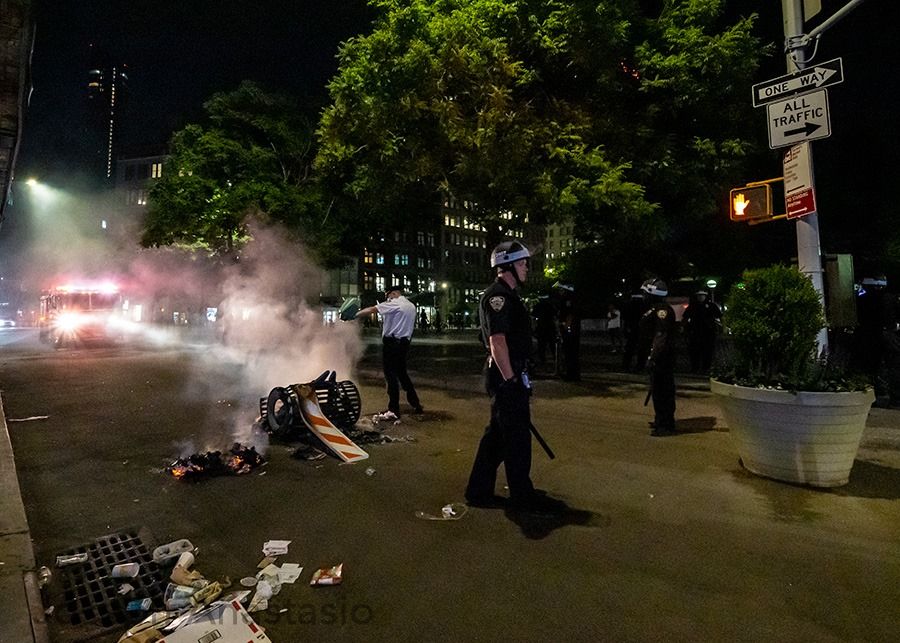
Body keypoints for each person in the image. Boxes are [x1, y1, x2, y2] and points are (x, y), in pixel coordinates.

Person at [465, 241, 562, 512]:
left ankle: (478, 490)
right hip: (505, 375)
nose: (526, 268)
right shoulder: (499, 296)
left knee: (498, 437)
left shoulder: (508, 294)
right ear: (506, 266)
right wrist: (510, 380)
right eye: (521, 263)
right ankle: (521, 495)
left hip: (508, 372)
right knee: (517, 438)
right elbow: (497, 342)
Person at [355, 285, 423, 419]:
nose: (387, 299)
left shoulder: (395, 304)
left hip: (392, 343)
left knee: (391, 375)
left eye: (388, 296)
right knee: (402, 374)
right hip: (404, 343)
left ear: (394, 293)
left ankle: (393, 409)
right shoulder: (411, 306)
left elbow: (372, 309)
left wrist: (354, 315)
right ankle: (416, 404)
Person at [638, 278, 677, 436]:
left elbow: (661, 336)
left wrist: (653, 357)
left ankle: (666, 424)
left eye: (645, 293)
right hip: (657, 356)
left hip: (662, 358)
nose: (643, 296)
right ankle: (660, 419)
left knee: (663, 391)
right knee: (657, 390)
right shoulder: (654, 309)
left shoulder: (662, 311)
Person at [682, 290, 722, 374]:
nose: (700, 297)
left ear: (705, 296)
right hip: (695, 332)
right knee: (694, 351)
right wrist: (685, 328)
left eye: (702, 295)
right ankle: (695, 368)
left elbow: (719, 316)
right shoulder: (693, 306)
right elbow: (685, 317)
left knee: (707, 351)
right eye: (699, 296)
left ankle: (706, 368)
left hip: (708, 332)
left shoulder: (711, 305)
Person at [554, 282, 580, 381]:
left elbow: (570, 314)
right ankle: (572, 373)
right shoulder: (568, 299)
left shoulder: (568, 299)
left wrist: (566, 326)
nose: (559, 292)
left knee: (570, 351)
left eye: (561, 290)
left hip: (570, 329)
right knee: (570, 352)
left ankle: (572, 375)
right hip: (570, 328)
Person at [621, 291, 649, 372]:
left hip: (632, 328)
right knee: (642, 349)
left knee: (630, 348)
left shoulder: (628, 305)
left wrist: (625, 328)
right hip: (642, 329)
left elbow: (625, 318)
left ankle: (626, 366)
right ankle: (639, 367)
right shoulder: (645, 305)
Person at [532, 295, 557, 369]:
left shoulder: (538, 306)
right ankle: (554, 358)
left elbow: (534, 317)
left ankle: (543, 360)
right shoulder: (550, 306)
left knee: (542, 345)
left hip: (543, 328)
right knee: (550, 345)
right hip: (548, 328)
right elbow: (554, 316)